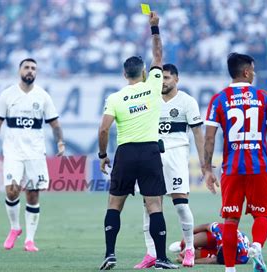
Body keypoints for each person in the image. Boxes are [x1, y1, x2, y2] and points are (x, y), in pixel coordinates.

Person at [97, 11, 178, 270]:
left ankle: (110, 254)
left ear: (124, 74)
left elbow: (103, 129)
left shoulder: (116, 97)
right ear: (143, 72)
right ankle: (162, 259)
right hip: (150, 151)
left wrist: (102, 155)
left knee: (114, 204)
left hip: (126, 152)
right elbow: (158, 55)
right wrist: (154, 28)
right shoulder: (153, 84)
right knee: (155, 205)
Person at [203, 52, 267, 272]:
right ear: (246, 72)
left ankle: (229, 269)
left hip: (232, 168)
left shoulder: (218, 99)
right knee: (261, 214)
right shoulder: (263, 97)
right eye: (253, 70)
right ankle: (256, 245)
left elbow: (209, 137)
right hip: (259, 166)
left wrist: (208, 169)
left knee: (230, 219)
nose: (254, 74)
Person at [0, 58, 65, 252]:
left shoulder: (43, 96)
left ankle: (29, 240)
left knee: (32, 194)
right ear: (19, 70)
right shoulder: (7, 95)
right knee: (11, 190)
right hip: (13, 152)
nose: (30, 71)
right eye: (27, 67)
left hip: (35, 153)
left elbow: (55, 124)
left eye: (33, 68)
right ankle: (15, 228)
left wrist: (60, 142)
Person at [135, 63, 205, 268]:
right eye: (161, 78)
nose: (163, 82)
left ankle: (190, 249)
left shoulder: (187, 101)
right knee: (149, 206)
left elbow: (198, 134)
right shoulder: (150, 99)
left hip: (176, 157)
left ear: (176, 79)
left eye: (167, 78)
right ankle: (151, 253)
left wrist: (204, 163)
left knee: (181, 204)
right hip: (151, 156)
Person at [170, 222, 250, 265]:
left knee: (187, 256)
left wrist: (187, 261)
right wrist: (188, 235)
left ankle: (188, 250)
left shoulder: (242, 259)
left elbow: (213, 260)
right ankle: (182, 245)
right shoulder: (221, 231)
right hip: (215, 239)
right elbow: (206, 226)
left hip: (223, 250)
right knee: (187, 241)